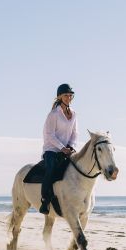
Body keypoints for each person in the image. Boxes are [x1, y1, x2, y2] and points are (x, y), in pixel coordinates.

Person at [39, 83, 78, 214]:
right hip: (51, 150)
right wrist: (62, 148)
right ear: (59, 96)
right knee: (50, 169)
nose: (69, 98)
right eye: (66, 95)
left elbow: (75, 133)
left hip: (67, 149)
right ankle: (45, 201)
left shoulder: (74, 114)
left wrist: (71, 146)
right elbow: (49, 135)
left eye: (70, 95)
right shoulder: (53, 114)